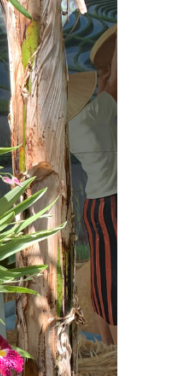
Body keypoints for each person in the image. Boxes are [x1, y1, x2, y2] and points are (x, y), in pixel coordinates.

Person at [68, 25, 118, 346]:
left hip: (93, 206)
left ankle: (108, 348)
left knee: (103, 277)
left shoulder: (72, 126)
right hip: (113, 203)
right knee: (116, 282)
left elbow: (107, 88)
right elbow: (113, 84)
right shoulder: (96, 116)